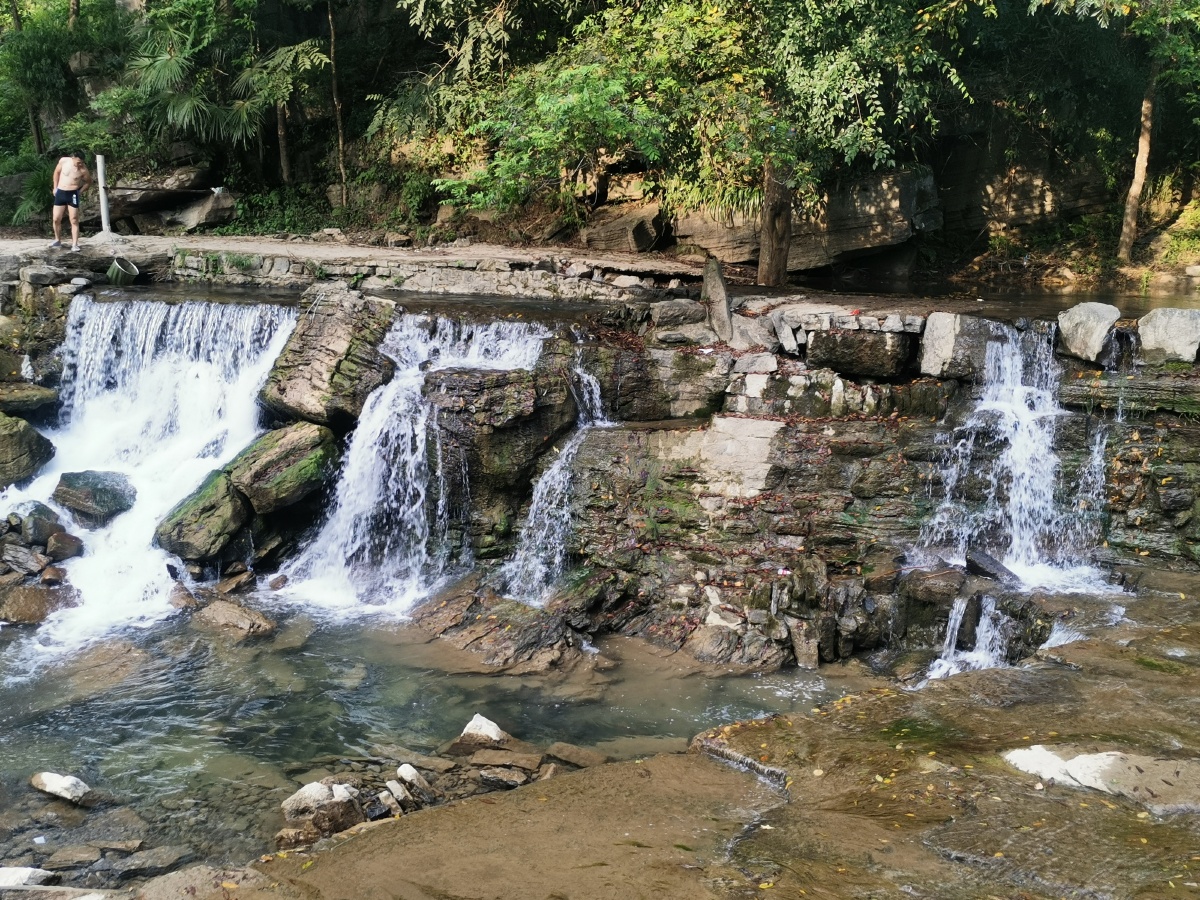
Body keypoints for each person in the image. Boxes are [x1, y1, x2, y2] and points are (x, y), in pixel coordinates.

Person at [49, 151, 92, 252]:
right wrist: (55, 187)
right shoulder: (64, 161)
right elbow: (56, 173)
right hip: (61, 192)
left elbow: (88, 182)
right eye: (78, 162)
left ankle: (75, 244)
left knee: (73, 219)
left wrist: (80, 192)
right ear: (73, 157)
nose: (80, 164)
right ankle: (57, 240)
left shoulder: (83, 170)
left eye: (81, 162)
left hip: (72, 194)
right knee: (56, 218)